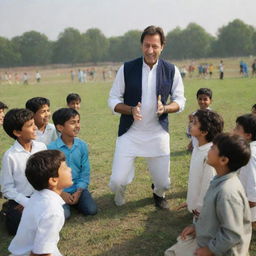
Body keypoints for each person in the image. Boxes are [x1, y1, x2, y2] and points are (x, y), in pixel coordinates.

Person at [108, 25, 186, 209]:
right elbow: (113, 99)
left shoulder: (171, 70)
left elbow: (180, 100)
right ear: (141, 45)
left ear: (162, 47)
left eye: (155, 46)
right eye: (146, 45)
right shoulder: (126, 68)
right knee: (117, 181)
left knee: (164, 183)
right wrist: (130, 110)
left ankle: (158, 193)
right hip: (130, 133)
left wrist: (166, 108)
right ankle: (121, 190)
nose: (150, 50)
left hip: (157, 133)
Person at [165, 133, 251, 256]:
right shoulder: (219, 179)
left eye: (213, 148)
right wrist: (197, 227)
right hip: (209, 240)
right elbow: (210, 214)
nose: (209, 149)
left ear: (223, 160)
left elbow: (232, 233)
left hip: (223, 251)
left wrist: (210, 250)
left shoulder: (228, 193)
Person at [8, 150, 73, 256]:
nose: (70, 169)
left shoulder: (37, 196)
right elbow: (41, 253)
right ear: (53, 180)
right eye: (65, 168)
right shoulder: (53, 211)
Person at [0, 108, 47, 235]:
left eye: (34, 123)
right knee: (16, 228)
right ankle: (9, 209)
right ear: (17, 132)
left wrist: (37, 199)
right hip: (21, 198)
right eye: (30, 125)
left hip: (41, 194)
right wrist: (25, 201)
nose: (35, 128)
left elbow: (47, 175)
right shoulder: (10, 156)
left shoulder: (41, 148)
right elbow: (7, 188)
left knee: (52, 218)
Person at [48, 108, 97, 219]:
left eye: (78, 121)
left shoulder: (82, 145)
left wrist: (79, 191)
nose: (77, 125)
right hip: (59, 191)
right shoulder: (51, 149)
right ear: (60, 127)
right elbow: (50, 177)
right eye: (72, 123)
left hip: (78, 188)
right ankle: (68, 204)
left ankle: (76, 200)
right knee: (64, 215)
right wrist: (61, 193)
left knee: (91, 210)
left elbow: (85, 171)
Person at [179, 110, 223, 222]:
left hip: (205, 212)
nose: (190, 125)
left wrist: (199, 208)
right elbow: (196, 179)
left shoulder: (210, 154)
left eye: (194, 123)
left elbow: (207, 185)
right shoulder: (198, 147)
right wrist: (190, 201)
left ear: (204, 132)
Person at [233, 114, 256, 227]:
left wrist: (250, 205)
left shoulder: (250, 154)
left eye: (237, 128)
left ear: (248, 135)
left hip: (251, 204)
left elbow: (253, 183)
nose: (234, 130)